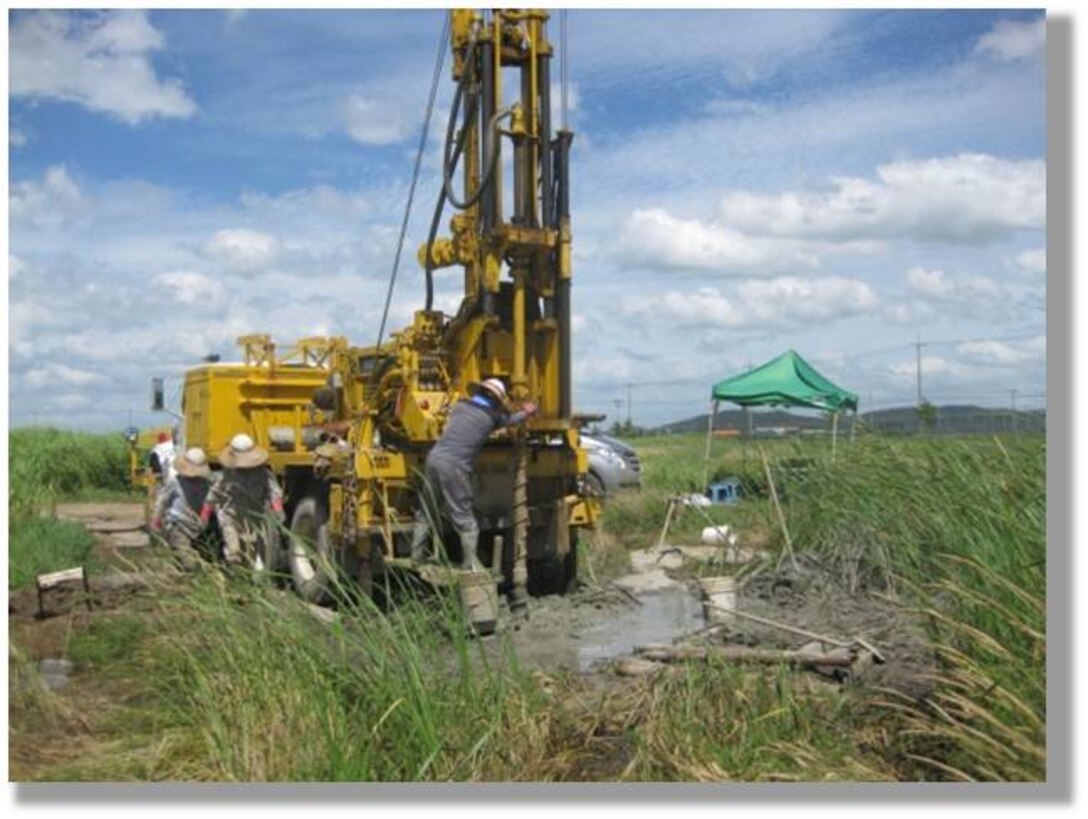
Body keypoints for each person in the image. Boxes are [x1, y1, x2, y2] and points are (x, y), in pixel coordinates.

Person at [411, 378, 537, 570]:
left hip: (434, 458)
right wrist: (526, 411)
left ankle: (416, 557)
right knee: (465, 519)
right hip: (454, 466)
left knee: (426, 511)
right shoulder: (491, 417)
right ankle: (469, 565)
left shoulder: (460, 407)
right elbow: (510, 421)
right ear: (496, 399)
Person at [201, 434, 285, 568]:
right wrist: (205, 514)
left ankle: (250, 582)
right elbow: (214, 494)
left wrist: (278, 509)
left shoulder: (262, 473)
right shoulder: (228, 474)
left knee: (255, 558)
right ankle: (234, 576)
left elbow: (273, 491)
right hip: (231, 517)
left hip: (255, 520)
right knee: (234, 553)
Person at [150, 447, 213, 571]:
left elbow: (210, 504)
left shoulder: (206, 484)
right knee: (188, 560)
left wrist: (206, 517)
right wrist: (155, 521)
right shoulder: (175, 482)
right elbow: (162, 502)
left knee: (200, 555)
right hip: (178, 525)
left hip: (198, 526)